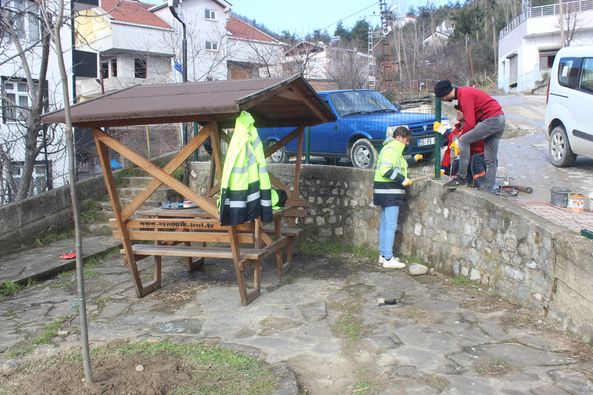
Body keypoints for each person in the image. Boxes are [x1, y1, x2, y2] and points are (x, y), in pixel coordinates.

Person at [434, 80, 505, 192]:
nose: (443, 101)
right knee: (490, 159)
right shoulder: (465, 93)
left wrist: (457, 140)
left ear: (445, 94)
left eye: (441, 98)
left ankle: (462, 178)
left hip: (491, 120)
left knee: (463, 141)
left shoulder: (464, 95)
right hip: (499, 119)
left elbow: (470, 123)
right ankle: (488, 189)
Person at [373, 126, 422, 269]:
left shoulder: (392, 150)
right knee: (390, 225)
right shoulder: (392, 149)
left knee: (385, 224)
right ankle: (388, 258)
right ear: (400, 137)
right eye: (406, 140)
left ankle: (383, 255)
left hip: (384, 191)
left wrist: (413, 159)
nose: (407, 143)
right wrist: (402, 180)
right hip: (390, 191)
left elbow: (400, 165)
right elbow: (386, 170)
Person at [441, 109, 487, 188]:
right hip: (463, 161)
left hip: (477, 160)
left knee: (474, 160)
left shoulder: (475, 129)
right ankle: (461, 181)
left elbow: (479, 146)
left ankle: (482, 185)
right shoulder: (455, 131)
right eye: (458, 110)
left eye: (462, 110)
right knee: (451, 167)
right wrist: (443, 167)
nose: (458, 112)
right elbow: (449, 151)